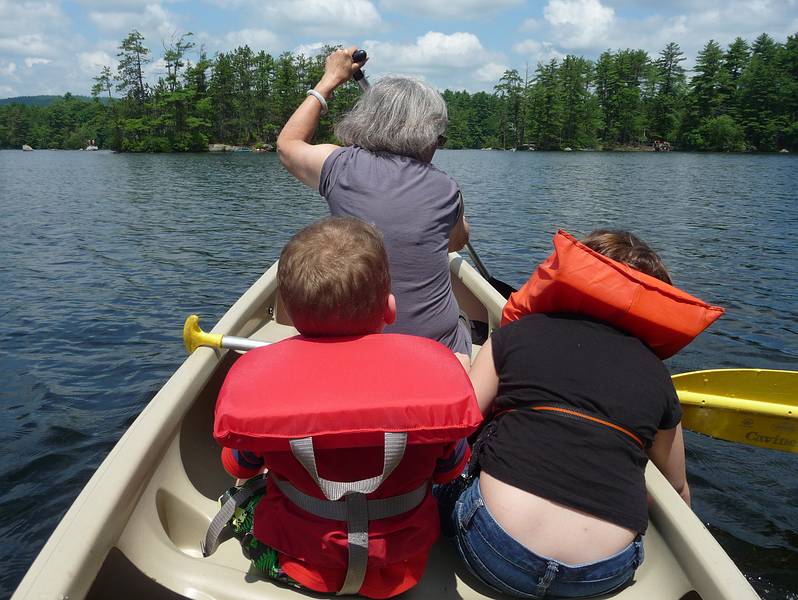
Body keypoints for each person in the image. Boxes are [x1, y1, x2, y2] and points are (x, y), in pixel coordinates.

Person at [437, 229, 722, 599]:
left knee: (441, 478)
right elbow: (677, 487)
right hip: (601, 575)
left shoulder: (516, 335)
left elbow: (457, 428)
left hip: (493, 551)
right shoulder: (656, 377)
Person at [210, 217, 481, 598]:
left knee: (246, 496)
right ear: (389, 308)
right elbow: (447, 471)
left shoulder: (261, 387)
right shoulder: (434, 380)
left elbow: (238, 465)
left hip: (299, 564)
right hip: (401, 569)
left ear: (285, 312)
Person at [276, 47, 472, 366]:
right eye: (440, 138)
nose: (438, 144)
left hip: (355, 342)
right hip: (435, 349)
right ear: (427, 138)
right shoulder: (446, 188)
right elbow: (457, 241)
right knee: (464, 317)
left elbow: (288, 144)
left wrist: (330, 79)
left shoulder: (340, 166)